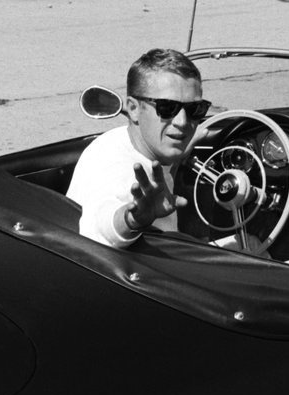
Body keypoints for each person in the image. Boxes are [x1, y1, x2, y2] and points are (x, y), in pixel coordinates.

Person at [67, 48, 210, 248]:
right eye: (167, 108)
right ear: (133, 109)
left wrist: (180, 155)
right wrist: (131, 219)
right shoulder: (127, 177)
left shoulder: (114, 141)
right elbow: (96, 228)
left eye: (195, 109)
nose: (183, 122)